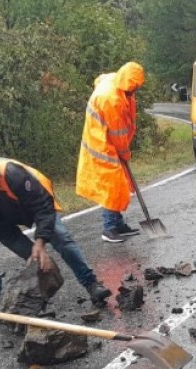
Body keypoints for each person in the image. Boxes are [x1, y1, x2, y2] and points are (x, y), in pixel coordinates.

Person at [0, 154, 112, 328]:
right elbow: (3, 233)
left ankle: (91, 283)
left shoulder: (11, 175)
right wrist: (33, 254)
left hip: (29, 205)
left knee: (59, 235)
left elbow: (43, 206)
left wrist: (40, 242)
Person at [76, 61, 145, 243]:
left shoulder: (115, 81)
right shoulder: (112, 101)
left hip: (103, 138)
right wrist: (125, 153)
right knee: (112, 185)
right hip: (102, 144)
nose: (134, 91)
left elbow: (99, 79)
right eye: (132, 88)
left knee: (117, 184)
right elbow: (118, 134)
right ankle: (110, 228)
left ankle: (117, 223)